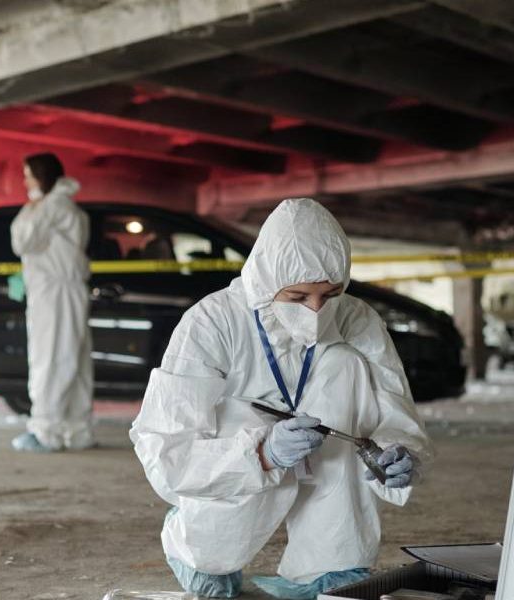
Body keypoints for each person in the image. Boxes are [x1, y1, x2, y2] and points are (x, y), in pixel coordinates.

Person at [129, 198, 433, 599]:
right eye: (298, 297)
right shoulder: (213, 322)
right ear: (266, 282)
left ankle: (332, 561)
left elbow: (395, 406)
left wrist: (400, 452)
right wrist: (262, 453)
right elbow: (166, 446)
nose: (317, 311)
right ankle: (197, 545)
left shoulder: (357, 318)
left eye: (330, 294)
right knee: (242, 428)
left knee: (346, 365)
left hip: (329, 453)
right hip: (237, 454)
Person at [9, 153, 95, 452]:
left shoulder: (50, 206)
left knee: (51, 358)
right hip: (68, 290)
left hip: (53, 293)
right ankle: (77, 430)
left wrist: (29, 208)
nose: (25, 181)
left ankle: (46, 431)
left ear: (41, 177)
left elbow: (21, 240)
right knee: (75, 360)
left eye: (28, 175)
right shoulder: (67, 205)